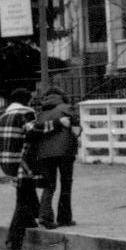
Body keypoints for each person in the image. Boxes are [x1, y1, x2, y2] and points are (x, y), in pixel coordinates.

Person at [0, 89, 42, 250]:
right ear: (25, 100)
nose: (31, 103)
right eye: (30, 100)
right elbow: (34, 132)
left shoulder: (3, 116)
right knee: (22, 201)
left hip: (7, 162)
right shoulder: (26, 112)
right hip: (23, 162)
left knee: (25, 194)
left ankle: (33, 221)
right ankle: (14, 241)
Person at [28, 83, 81, 230]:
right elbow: (77, 127)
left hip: (44, 153)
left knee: (49, 185)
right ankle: (64, 218)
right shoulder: (66, 108)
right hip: (65, 152)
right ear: (61, 96)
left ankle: (45, 216)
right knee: (66, 184)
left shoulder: (41, 113)